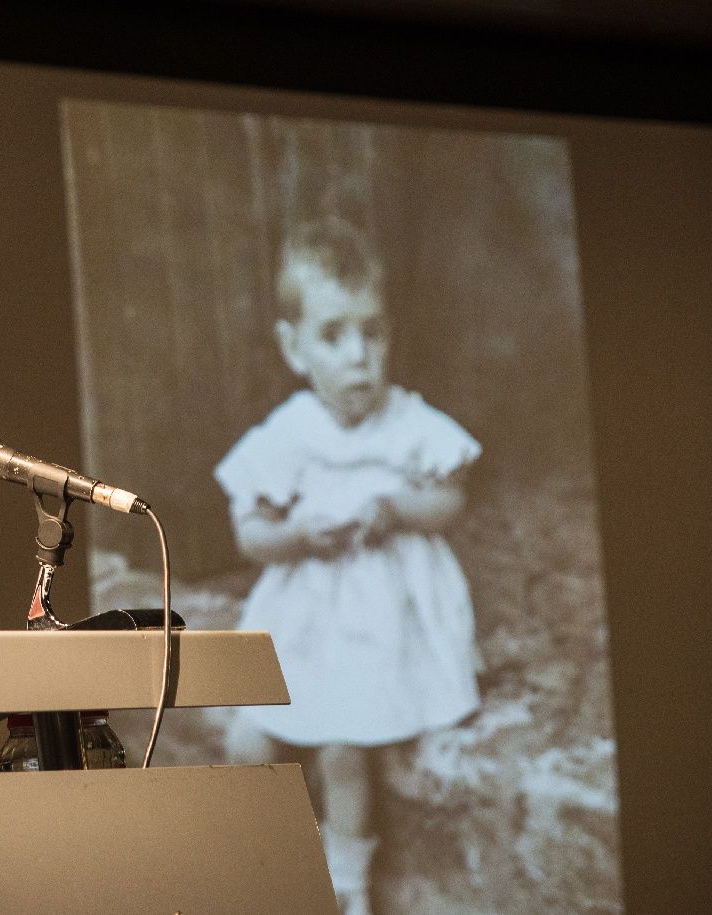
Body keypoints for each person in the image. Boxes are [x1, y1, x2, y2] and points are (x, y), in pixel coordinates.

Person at [215, 216, 481, 915]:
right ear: (294, 347)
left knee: (344, 741)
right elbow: (250, 532)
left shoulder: (408, 420)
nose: (359, 355)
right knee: (247, 734)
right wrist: (298, 532)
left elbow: (451, 497)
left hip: (382, 616)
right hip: (305, 614)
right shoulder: (290, 431)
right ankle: (280, 858)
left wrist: (398, 507)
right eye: (334, 336)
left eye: (374, 331)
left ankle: (347, 884)